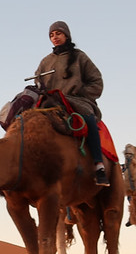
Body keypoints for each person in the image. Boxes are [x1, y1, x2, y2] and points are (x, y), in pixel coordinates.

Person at [35, 21, 109, 186]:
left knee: (89, 120)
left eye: (58, 34)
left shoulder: (80, 57)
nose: (55, 37)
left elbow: (96, 81)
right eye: (51, 35)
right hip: (51, 103)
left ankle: (99, 165)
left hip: (77, 101)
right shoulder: (45, 61)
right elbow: (38, 82)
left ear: (66, 35)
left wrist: (82, 94)